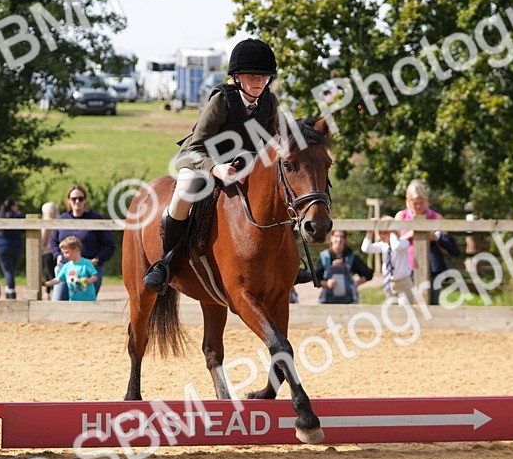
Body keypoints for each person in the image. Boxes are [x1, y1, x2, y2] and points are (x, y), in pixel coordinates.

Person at [142, 37, 282, 292]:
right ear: (237, 77)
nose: (259, 82)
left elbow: (274, 144)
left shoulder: (268, 102)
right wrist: (215, 168)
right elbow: (196, 145)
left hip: (243, 164)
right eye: (253, 76)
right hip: (201, 159)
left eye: (264, 77)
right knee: (185, 193)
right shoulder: (222, 100)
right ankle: (167, 261)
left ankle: (287, 261)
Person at [395, 179, 460, 305]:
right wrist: (412, 234)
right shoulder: (401, 217)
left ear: (426, 201)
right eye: (415, 203)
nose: (419, 207)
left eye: (421, 203)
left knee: (432, 305)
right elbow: (393, 244)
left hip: (431, 270)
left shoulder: (436, 217)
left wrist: (435, 236)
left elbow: (449, 248)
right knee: (406, 307)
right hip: (406, 269)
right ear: (408, 201)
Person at [47, 186, 115, 299]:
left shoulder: (96, 219)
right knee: (58, 302)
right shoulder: (62, 219)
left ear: (85, 200)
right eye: (74, 199)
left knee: (85, 306)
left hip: (88, 270)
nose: (77, 201)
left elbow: (109, 245)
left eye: (80, 198)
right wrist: (57, 255)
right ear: (68, 200)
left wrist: (97, 260)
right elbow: (53, 241)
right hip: (65, 268)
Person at [361, 216, 412, 302]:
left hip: (404, 283)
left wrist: (392, 231)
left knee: (405, 310)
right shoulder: (383, 245)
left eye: (385, 232)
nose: (382, 235)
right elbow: (365, 248)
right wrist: (370, 232)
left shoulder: (403, 243)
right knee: (392, 311)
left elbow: (396, 246)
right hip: (389, 283)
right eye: (380, 232)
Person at [315, 230, 372, 303]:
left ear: (345, 240)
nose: (339, 239)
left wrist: (355, 284)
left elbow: (368, 274)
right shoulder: (323, 257)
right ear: (331, 238)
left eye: (342, 237)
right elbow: (315, 279)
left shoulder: (352, 257)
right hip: (328, 301)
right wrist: (327, 284)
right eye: (336, 236)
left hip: (349, 301)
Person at [0, 198, 25, 299]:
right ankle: (10, 291)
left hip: (2, 246)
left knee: (8, 271)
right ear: (13, 206)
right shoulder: (18, 217)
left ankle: (10, 291)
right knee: (12, 270)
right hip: (16, 246)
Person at [44, 236, 98, 301]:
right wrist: (46, 283)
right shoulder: (66, 266)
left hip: (88, 299)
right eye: (63, 253)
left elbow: (94, 276)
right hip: (73, 299)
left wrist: (88, 280)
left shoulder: (86, 263)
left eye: (67, 252)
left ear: (76, 250)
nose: (64, 255)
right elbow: (58, 279)